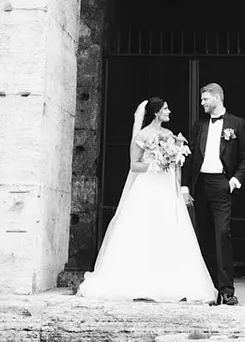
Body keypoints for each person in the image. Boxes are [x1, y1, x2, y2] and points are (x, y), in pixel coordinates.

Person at [77, 96, 217, 302]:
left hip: (167, 189)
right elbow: (134, 165)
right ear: (156, 112)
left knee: (168, 229)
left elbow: (176, 164)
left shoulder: (169, 134)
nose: (169, 112)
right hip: (147, 188)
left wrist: (174, 165)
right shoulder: (142, 135)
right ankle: (140, 283)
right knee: (145, 229)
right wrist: (155, 164)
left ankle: (170, 283)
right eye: (166, 109)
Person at [180, 82, 245, 306]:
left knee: (222, 234)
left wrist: (234, 182)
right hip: (200, 185)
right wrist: (185, 186)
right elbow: (190, 156)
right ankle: (209, 289)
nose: (202, 104)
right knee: (205, 237)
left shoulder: (237, 124)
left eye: (205, 99)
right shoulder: (199, 125)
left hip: (221, 184)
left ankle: (227, 290)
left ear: (217, 99)